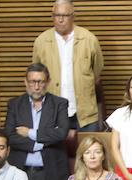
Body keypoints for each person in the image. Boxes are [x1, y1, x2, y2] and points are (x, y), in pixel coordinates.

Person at [31, 0, 104, 131]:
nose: (60, 20)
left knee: (88, 150)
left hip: (85, 114)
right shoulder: (41, 42)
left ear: (73, 16)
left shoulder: (89, 39)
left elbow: (97, 71)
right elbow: (35, 75)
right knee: (54, 151)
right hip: (52, 113)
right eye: (56, 15)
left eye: (64, 15)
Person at [5, 63, 70, 180]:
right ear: (25, 82)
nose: (36, 87)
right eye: (32, 82)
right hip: (20, 171)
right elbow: (10, 136)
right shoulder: (14, 104)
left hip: (50, 172)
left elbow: (62, 133)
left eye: (40, 82)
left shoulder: (59, 104)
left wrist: (29, 133)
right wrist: (38, 144)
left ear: (48, 82)